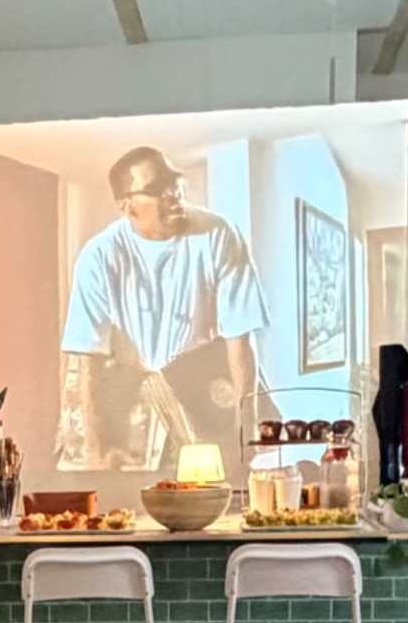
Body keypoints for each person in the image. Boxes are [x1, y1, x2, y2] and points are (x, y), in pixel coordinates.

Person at [61, 144, 265, 472]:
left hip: (208, 377)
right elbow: (89, 360)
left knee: (222, 484)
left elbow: (239, 340)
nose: (174, 193)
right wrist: (98, 452)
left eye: (174, 180)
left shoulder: (217, 233)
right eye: (157, 189)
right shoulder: (98, 256)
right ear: (127, 207)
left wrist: (246, 428)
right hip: (131, 387)